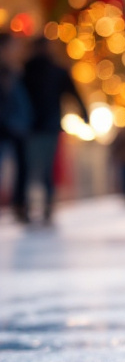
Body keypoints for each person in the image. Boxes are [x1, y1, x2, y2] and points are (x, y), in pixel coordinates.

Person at [20, 37, 87, 224]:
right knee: (43, 169)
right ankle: (44, 205)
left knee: (33, 168)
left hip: (32, 127)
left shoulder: (27, 70)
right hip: (44, 126)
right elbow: (74, 94)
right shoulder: (50, 70)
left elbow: (73, 93)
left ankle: (33, 206)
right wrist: (84, 113)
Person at [0, 36, 32, 222]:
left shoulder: (16, 70)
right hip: (6, 127)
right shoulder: (6, 73)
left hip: (18, 127)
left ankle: (20, 205)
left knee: (22, 168)